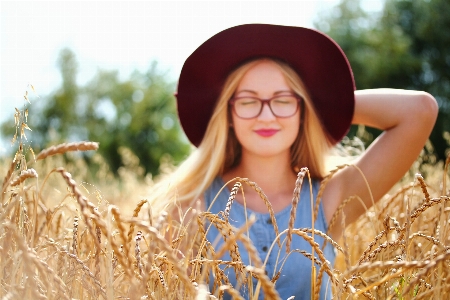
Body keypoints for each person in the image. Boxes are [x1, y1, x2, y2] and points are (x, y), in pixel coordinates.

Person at [150, 24, 438, 299]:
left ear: (303, 109)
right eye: (248, 101)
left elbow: (419, 110)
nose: (266, 116)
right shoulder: (191, 205)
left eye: (283, 100)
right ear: (228, 113)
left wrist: (321, 105)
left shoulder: (327, 198)